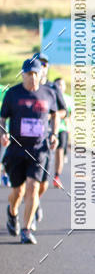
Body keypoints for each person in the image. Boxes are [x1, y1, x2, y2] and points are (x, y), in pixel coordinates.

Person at [0, 57, 64, 244]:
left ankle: (26, 230)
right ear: (22, 75)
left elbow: (55, 115)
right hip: (17, 149)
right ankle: (12, 212)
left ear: (40, 74)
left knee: (33, 187)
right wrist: (3, 133)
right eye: (28, 74)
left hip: (38, 149)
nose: (32, 77)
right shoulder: (13, 94)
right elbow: (2, 119)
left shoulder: (48, 93)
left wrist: (54, 134)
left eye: (35, 73)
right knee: (18, 192)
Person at [32, 54, 66, 227]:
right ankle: (27, 211)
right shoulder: (26, 86)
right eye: (39, 63)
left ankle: (35, 202)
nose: (42, 66)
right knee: (27, 181)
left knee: (43, 183)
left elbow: (64, 111)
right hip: (25, 139)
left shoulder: (53, 88)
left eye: (45, 64)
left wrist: (50, 114)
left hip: (45, 139)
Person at [52, 77, 72, 188]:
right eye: (57, 84)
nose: (60, 87)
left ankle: (57, 176)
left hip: (63, 128)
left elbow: (71, 114)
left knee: (60, 152)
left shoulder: (69, 99)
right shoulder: (50, 96)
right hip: (50, 128)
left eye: (62, 84)